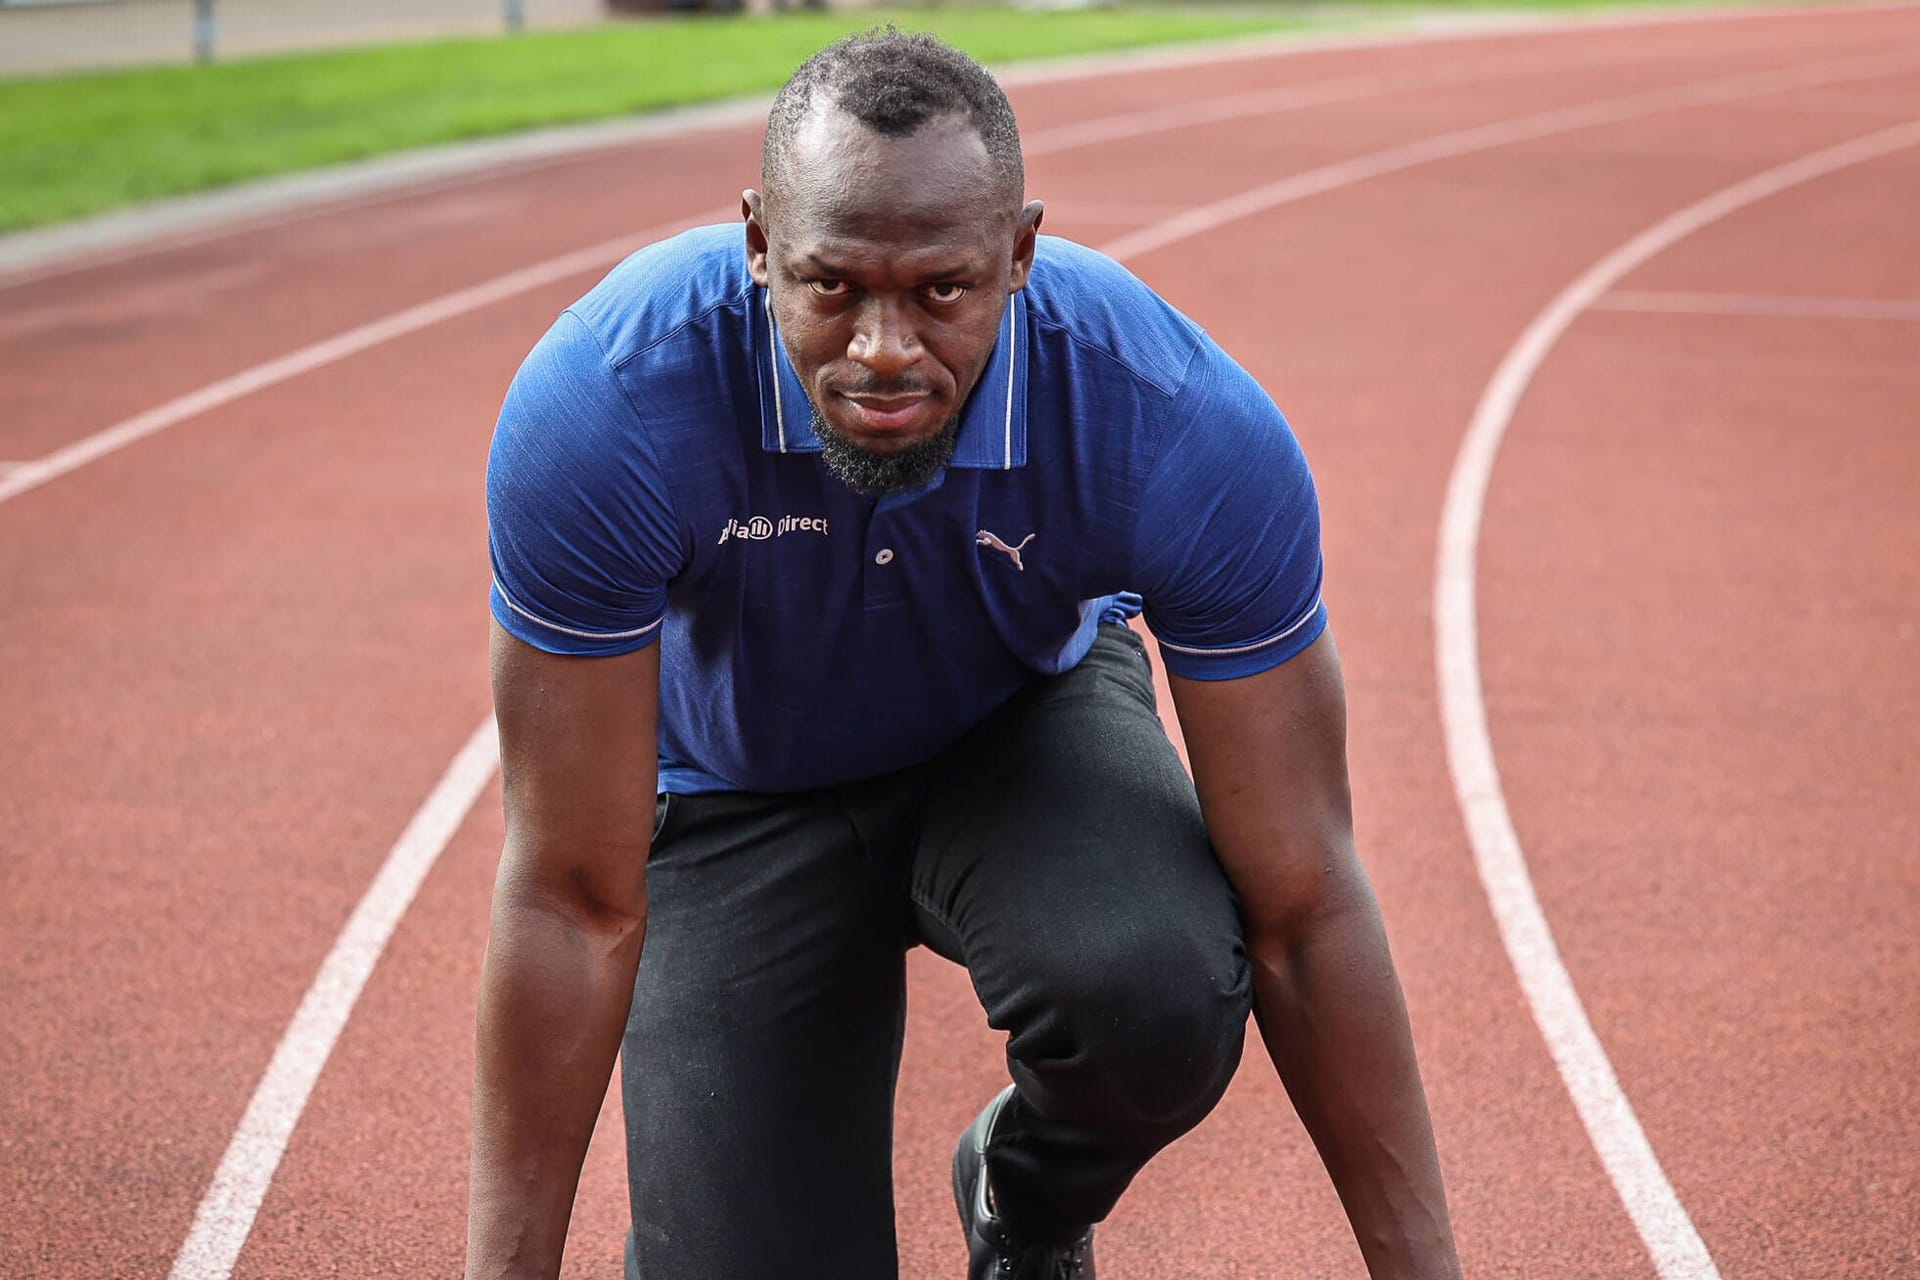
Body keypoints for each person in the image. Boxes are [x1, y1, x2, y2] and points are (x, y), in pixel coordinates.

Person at [468, 28, 1463, 1280]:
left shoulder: (1167, 419)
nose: (884, 350)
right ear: (760, 247)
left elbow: (1307, 900)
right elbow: (570, 898)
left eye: (942, 289)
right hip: (729, 789)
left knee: (1153, 992)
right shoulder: (605, 406)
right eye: (833, 286)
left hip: (1018, 722)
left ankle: (1024, 1194)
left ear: (1021, 257)